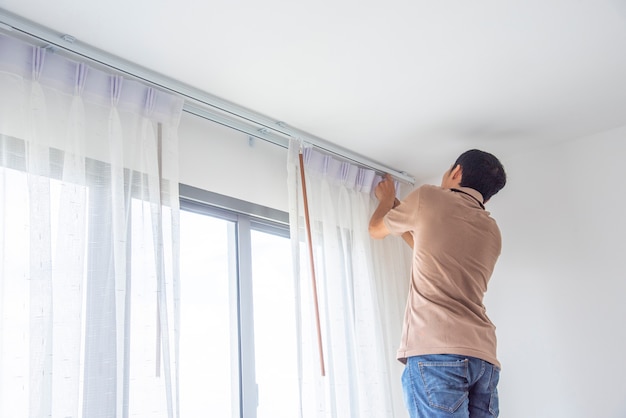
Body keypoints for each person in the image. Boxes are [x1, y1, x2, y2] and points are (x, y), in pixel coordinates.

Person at [369, 149, 506, 418]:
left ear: (456, 172)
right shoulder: (492, 231)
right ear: (487, 197)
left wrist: (385, 200)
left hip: (437, 352)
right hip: (484, 359)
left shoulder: (429, 197)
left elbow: (375, 230)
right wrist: (401, 211)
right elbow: (425, 249)